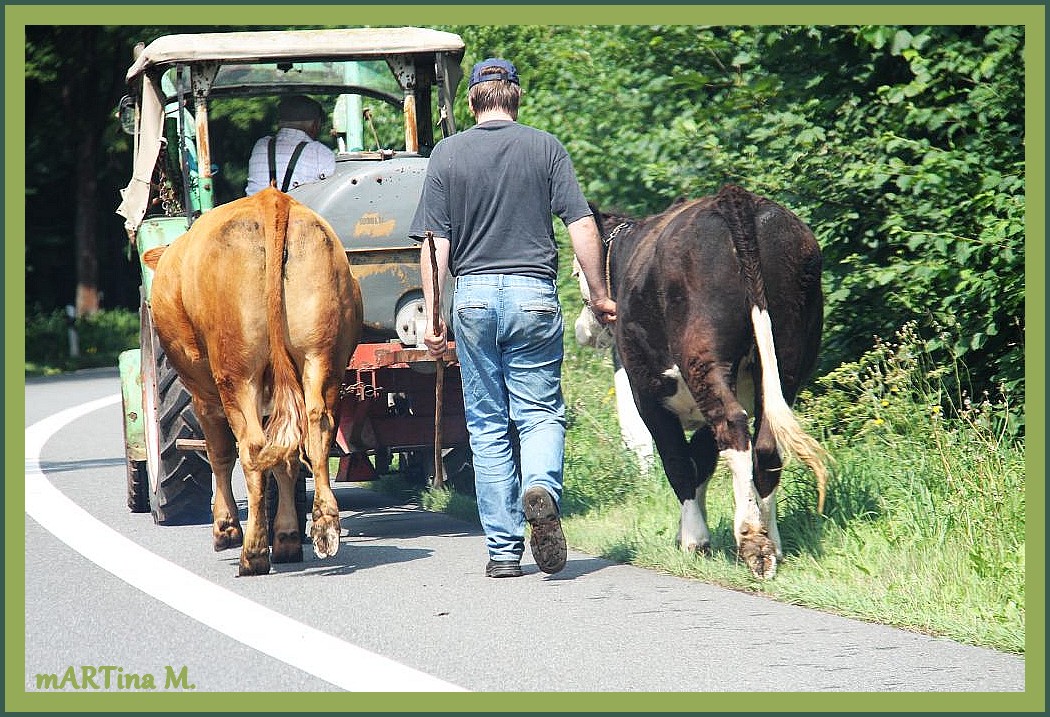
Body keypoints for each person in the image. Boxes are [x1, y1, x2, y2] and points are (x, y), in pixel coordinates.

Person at [410, 58, 616, 578]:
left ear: (475, 100)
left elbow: (435, 244)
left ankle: (504, 553)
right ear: (515, 96)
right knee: (540, 413)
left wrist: (434, 317)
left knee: (486, 425)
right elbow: (581, 222)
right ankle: (541, 485)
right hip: (533, 295)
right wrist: (600, 294)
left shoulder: (447, 154)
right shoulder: (545, 147)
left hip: (474, 298)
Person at [245, 95, 336, 196]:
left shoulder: (261, 146)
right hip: (296, 211)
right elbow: (329, 196)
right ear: (315, 125)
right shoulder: (322, 153)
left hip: (256, 211)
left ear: (280, 123)